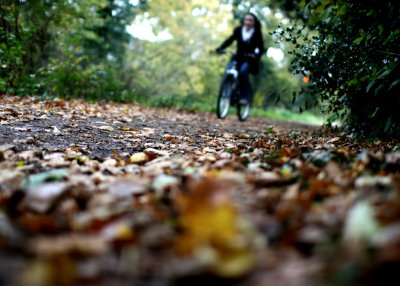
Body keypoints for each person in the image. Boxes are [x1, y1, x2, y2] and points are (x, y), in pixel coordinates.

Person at [216, 12, 265, 105]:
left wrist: (256, 55)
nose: (248, 22)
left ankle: (244, 96)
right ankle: (228, 91)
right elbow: (230, 40)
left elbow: (261, 48)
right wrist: (221, 47)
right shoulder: (239, 30)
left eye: (250, 20)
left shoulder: (257, 33)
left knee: (243, 73)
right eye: (246, 19)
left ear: (254, 22)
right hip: (237, 57)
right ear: (244, 21)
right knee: (228, 70)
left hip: (249, 59)